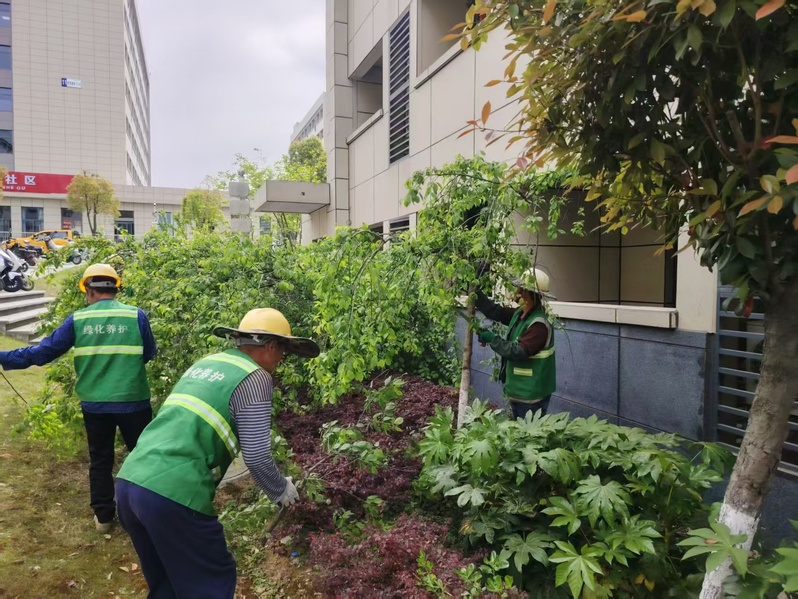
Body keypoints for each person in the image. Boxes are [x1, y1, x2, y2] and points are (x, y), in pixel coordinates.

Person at [115, 307, 320, 599]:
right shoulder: (256, 377)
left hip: (130, 483)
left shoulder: (208, 363)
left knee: (167, 585)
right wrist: (280, 490)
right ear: (271, 346)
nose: (281, 360)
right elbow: (257, 456)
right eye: (283, 351)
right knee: (211, 582)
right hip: (173, 494)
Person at [0, 263, 156, 532]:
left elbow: (42, 353)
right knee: (143, 456)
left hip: (95, 404)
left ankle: (104, 518)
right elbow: (149, 353)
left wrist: (3, 358)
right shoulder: (136, 316)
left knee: (100, 459)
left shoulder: (78, 320)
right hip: (133, 401)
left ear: (89, 290)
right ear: (115, 289)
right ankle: (149, 513)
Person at [474, 267, 556, 419]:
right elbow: (495, 311)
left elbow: (518, 351)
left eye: (520, 289)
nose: (516, 293)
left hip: (531, 395)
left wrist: (493, 339)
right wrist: (476, 292)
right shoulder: (520, 314)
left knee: (527, 433)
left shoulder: (539, 325)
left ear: (528, 294)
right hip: (519, 391)